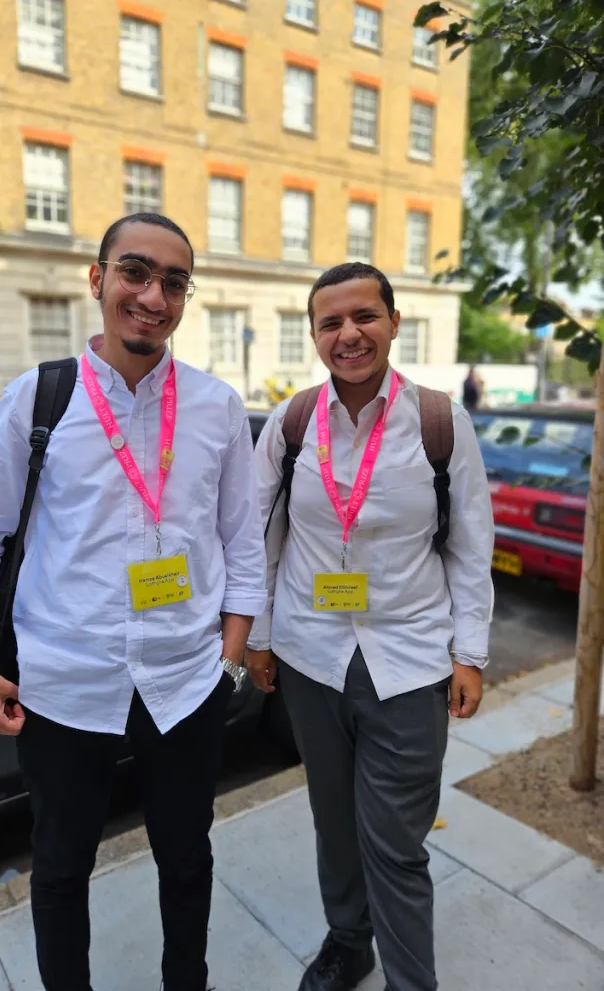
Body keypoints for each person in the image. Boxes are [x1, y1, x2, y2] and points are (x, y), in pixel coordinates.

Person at [0, 212, 267, 991]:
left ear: (187, 296)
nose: (153, 296)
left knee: (188, 857)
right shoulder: (38, 397)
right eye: (135, 272)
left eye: (174, 281)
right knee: (59, 867)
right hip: (64, 679)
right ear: (98, 279)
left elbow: (242, 544)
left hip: (184, 681)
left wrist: (227, 660)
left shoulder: (218, 407)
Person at [247, 262, 494, 991]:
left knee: (395, 842)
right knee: (333, 820)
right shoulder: (292, 424)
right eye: (331, 322)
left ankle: (410, 982)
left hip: (410, 659)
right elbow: (259, 537)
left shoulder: (441, 421)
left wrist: (470, 654)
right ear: (315, 334)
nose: (349, 334)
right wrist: (259, 640)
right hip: (311, 656)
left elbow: (471, 544)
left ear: (392, 320)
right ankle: (349, 941)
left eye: (364, 317)